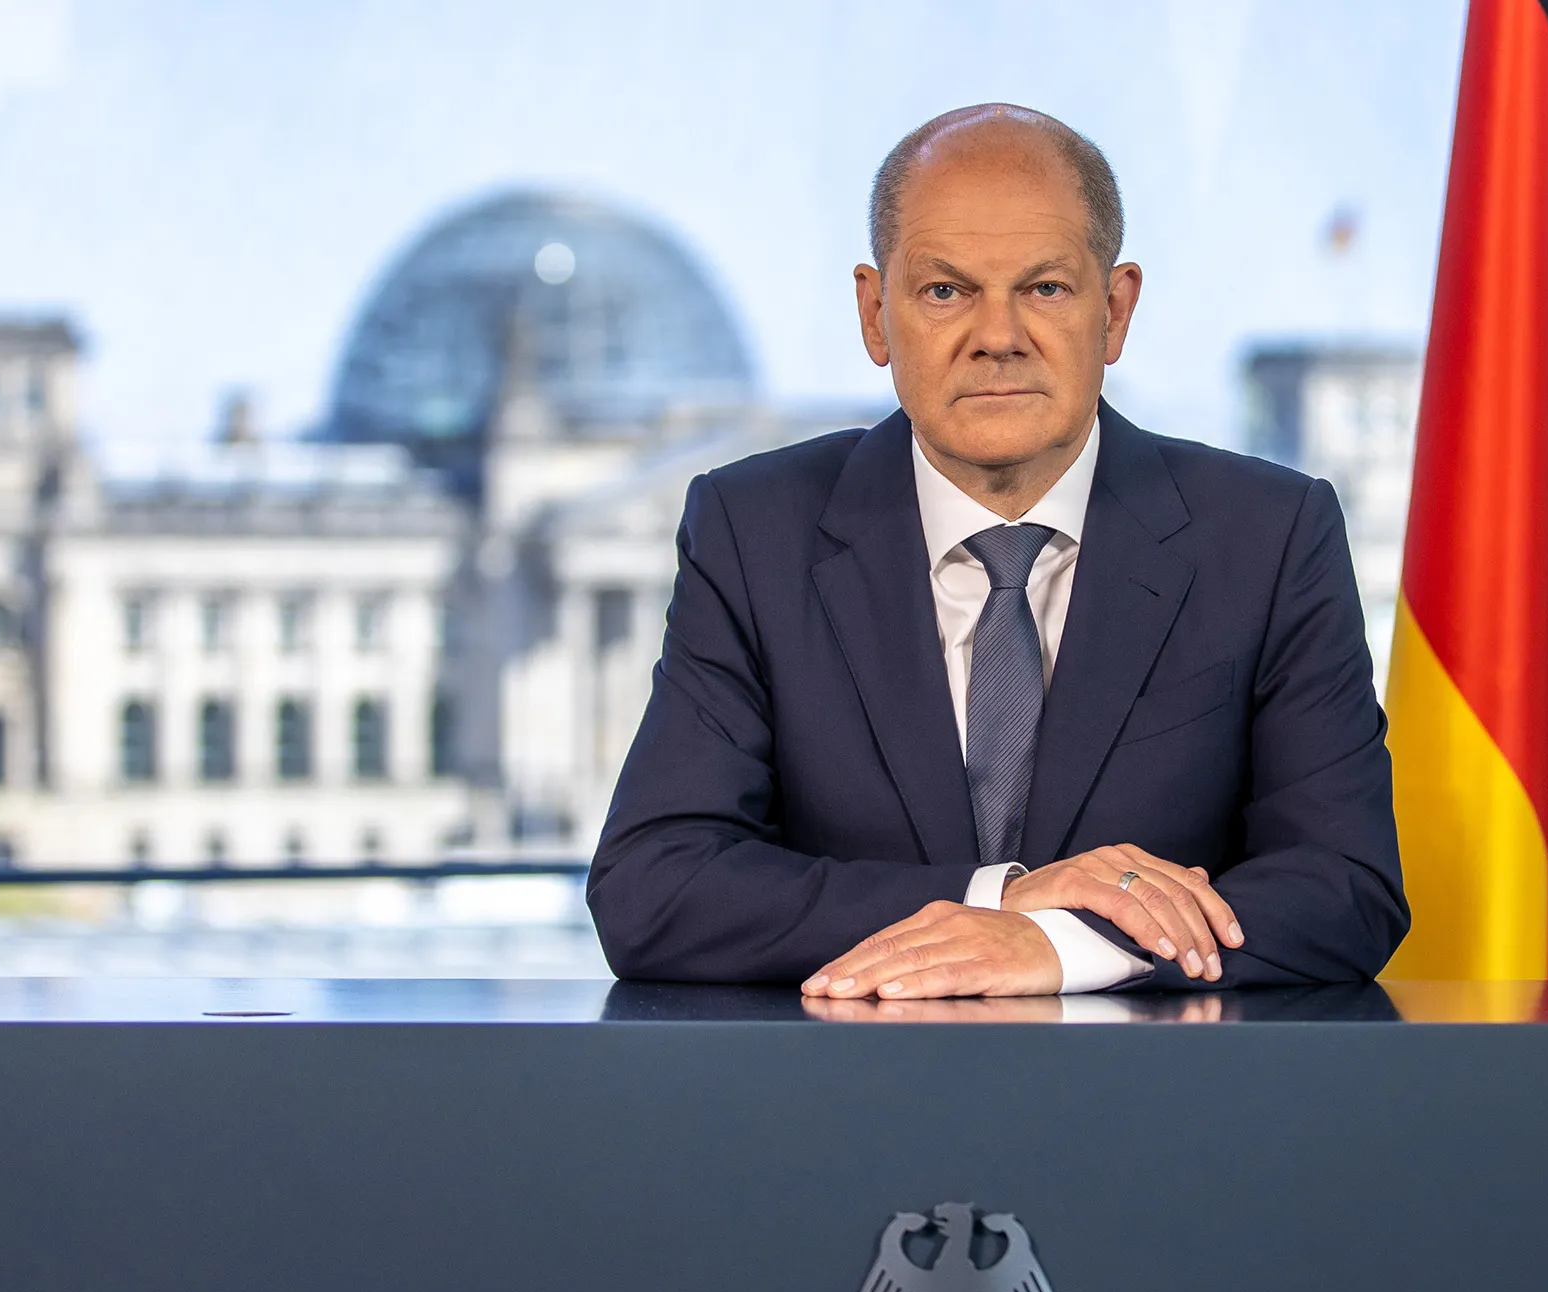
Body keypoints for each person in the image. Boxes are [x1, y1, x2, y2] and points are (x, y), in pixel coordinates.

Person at [587, 104, 1406, 997]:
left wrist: (1062, 948)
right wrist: (1000, 901)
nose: (998, 335)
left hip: (1162, 1115)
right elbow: (654, 887)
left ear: (1116, 309)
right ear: (874, 314)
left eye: (1046, 288)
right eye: (946, 291)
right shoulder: (753, 530)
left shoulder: (1269, 535)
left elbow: (1344, 887)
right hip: (845, 1111)